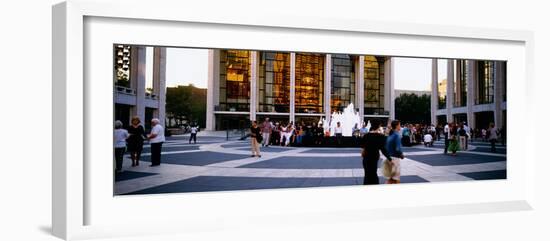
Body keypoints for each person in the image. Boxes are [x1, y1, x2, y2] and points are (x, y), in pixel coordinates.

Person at [361, 120, 392, 185]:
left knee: (367, 175)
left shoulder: (366, 136)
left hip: (366, 159)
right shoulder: (380, 137)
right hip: (374, 158)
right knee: (373, 174)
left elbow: (363, 150)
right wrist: (389, 158)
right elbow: (383, 150)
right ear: (379, 126)